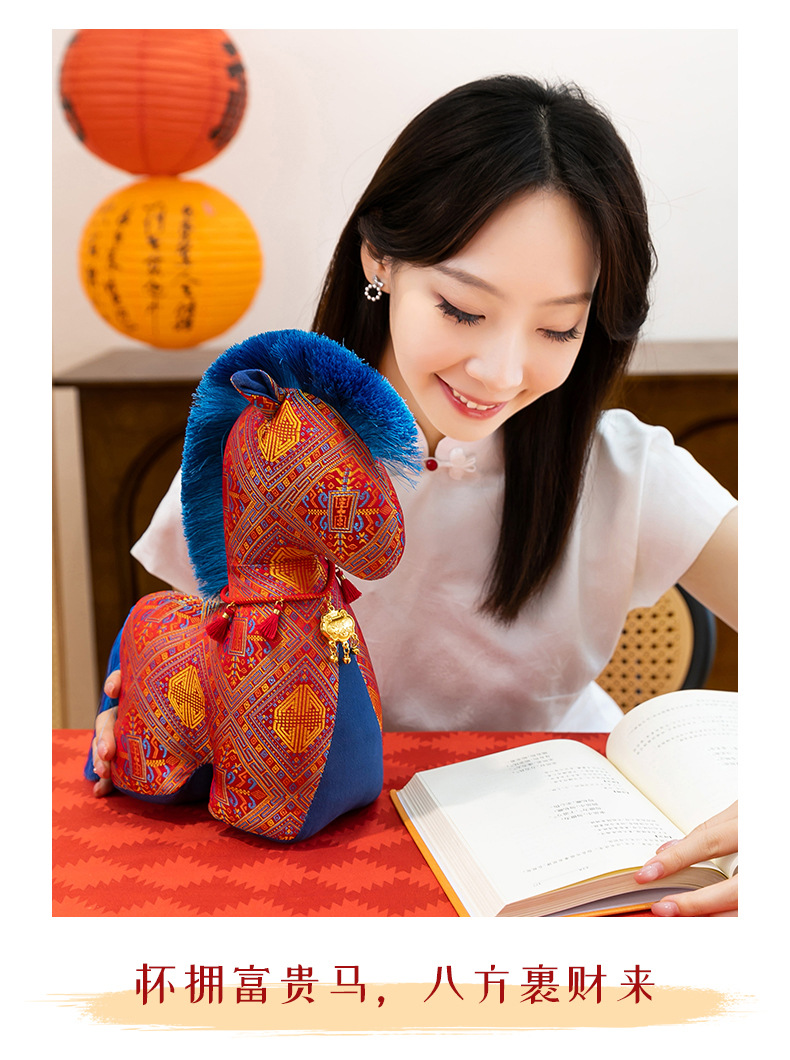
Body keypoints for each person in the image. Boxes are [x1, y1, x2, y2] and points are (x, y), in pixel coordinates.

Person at [90, 75, 738, 915]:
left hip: (573, 858)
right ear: (381, 260)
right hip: (318, 846)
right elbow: (190, 649)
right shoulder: (265, 450)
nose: (501, 372)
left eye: (558, 328)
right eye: (463, 310)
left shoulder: (622, 470)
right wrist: (156, 715)